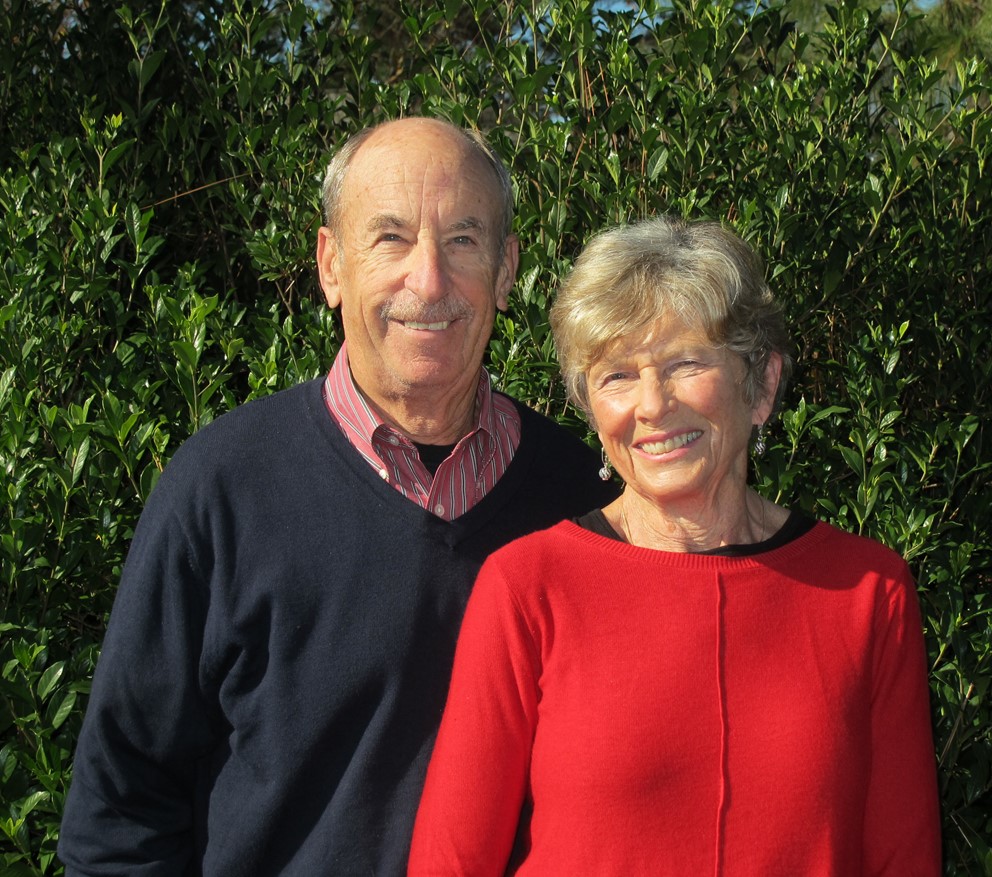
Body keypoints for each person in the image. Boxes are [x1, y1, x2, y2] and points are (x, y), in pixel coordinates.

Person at [57, 117, 617, 876]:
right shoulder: (219, 491)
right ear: (330, 266)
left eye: (462, 240)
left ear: (507, 268)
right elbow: (118, 815)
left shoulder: (586, 500)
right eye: (390, 237)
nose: (428, 280)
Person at [407, 216, 942, 875]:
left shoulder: (866, 591)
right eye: (617, 376)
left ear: (763, 384)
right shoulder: (529, 586)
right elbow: (451, 861)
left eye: (686, 364)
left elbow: (904, 856)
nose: (652, 405)